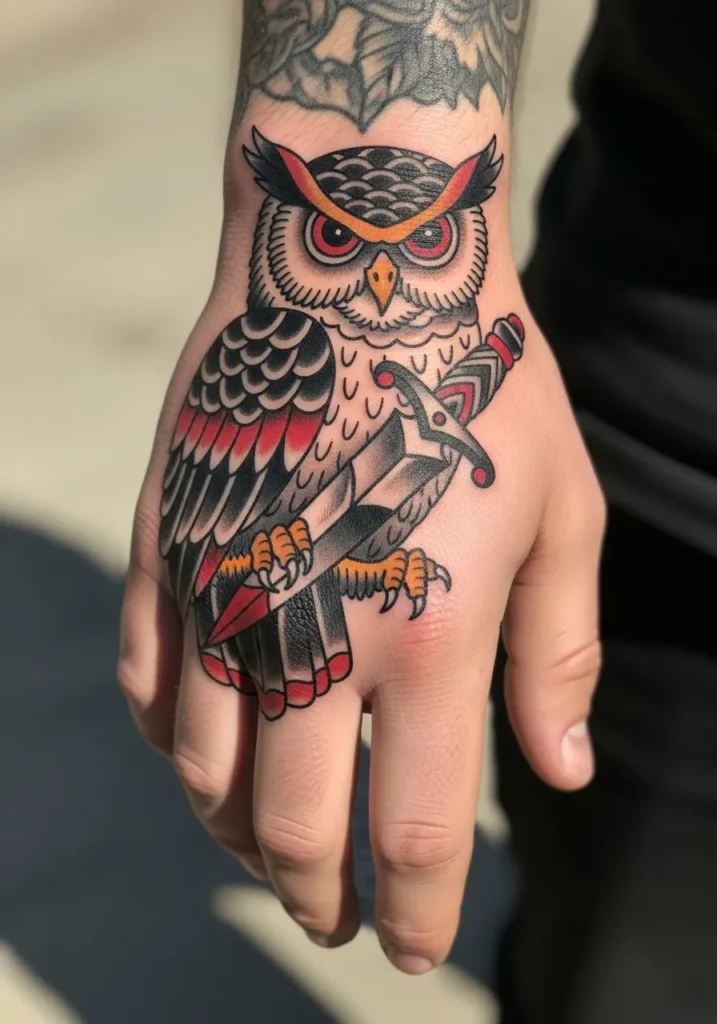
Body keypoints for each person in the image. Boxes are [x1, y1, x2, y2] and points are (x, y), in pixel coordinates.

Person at [119, 1, 716, 1019]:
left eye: (425, 239)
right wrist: (393, 131)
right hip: (677, 421)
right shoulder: (290, 347)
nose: (386, 275)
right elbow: (257, 520)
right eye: (338, 240)